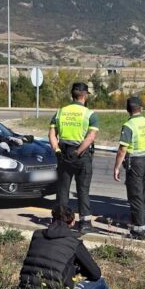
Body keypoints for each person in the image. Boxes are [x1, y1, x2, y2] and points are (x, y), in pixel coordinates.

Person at [18, 205, 115, 289]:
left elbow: (45, 262)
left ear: (52, 220)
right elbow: (96, 274)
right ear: (73, 222)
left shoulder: (37, 235)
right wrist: (79, 269)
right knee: (100, 282)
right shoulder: (74, 242)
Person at [48, 82, 99, 234]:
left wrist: (57, 150)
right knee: (83, 189)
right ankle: (85, 223)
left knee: (63, 190)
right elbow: (90, 137)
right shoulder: (90, 114)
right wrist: (78, 152)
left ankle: (61, 221)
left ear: (73, 95)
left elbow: (51, 134)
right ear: (84, 95)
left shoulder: (60, 112)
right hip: (81, 155)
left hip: (63, 153)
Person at [113, 97, 145, 240]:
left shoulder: (129, 125)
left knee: (135, 197)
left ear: (128, 109)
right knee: (143, 196)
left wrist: (117, 167)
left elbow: (122, 150)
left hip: (135, 163)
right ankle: (139, 225)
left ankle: (138, 232)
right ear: (141, 108)